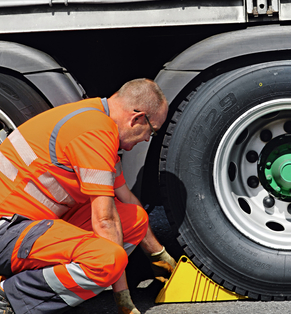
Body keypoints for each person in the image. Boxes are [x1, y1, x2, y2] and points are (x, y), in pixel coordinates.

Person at [0, 78, 176, 314]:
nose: (146, 139)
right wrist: (123, 299)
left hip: (28, 224)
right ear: (136, 119)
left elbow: (126, 200)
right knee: (106, 260)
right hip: (8, 228)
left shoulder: (97, 119)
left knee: (134, 219)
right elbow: (105, 221)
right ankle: (10, 296)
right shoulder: (95, 131)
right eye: (151, 132)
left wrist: (159, 255)